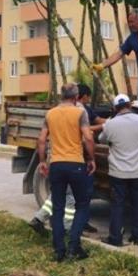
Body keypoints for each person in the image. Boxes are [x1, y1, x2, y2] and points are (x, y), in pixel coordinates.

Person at [28, 83, 102, 236]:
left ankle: (39, 219)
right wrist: (91, 158)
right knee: (71, 197)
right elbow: (88, 138)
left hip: (55, 161)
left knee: (57, 194)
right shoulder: (80, 113)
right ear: (76, 96)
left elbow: (41, 140)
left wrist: (42, 161)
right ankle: (68, 228)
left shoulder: (50, 113)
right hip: (74, 161)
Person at [99, 94, 138, 247]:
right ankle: (137, 237)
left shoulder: (110, 124)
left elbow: (101, 139)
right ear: (130, 105)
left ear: (115, 108)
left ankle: (115, 238)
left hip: (118, 172)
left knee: (117, 205)